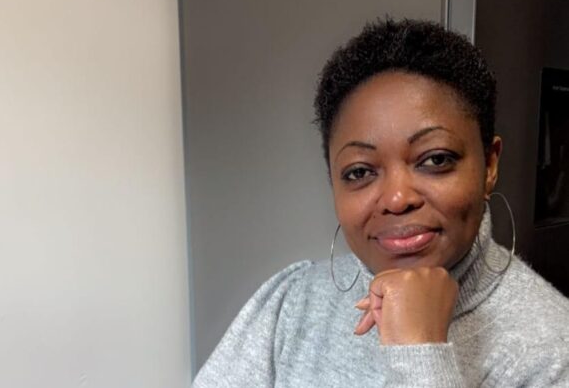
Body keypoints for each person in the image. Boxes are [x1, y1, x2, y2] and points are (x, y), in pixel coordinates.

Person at [192, 19, 569, 387]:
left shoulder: (552, 352)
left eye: (435, 159)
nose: (397, 199)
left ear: (489, 166)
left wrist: (421, 355)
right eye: (359, 171)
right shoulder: (292, 303)